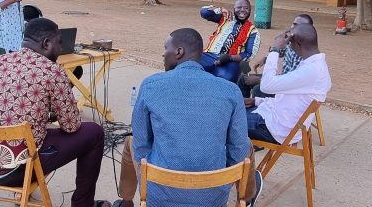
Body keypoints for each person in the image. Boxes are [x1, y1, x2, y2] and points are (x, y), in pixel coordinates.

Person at [0, 18, 110, 207]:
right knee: (94, 133)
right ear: (46, 43)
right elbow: (71, 125)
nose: (61, 50)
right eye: (60, 43)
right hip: (14, 170)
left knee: (32, 132)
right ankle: (83, 204)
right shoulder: (51, 71)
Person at [112, 28, 262, 207]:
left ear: (178, 52)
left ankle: (126, 202)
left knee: (132, 142)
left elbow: (142, 144)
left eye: (165, 48)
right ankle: (245, 198)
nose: (162, 53)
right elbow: (237, 151)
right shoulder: (230, 90)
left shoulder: (151, 85)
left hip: (159, 195)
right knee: (245, 145)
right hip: (214, 198)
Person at [245, 24, 331, 144]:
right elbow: (287, 102)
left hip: (275, 129)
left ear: (298, 45)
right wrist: (257, 101)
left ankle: (235, 161)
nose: (289, 46)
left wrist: (275, 49)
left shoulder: (312, 71)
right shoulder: (313, 65)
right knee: (229, 111)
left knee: (221, 121)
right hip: (274, 119)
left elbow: (266, 86)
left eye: (290, 43)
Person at [238, 14, 314, 98]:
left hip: (288, 90)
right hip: (282, 79)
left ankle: (259, 109)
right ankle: (242, 108)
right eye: (294, 24)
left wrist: (260, 80)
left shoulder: (304, 53)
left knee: (258, 89)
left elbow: (290, 82)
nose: (294, 27)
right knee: (243, 80)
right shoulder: (292, 41)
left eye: (300, 26)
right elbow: (281, 51)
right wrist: (265, 59)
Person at [199, 0, 261, 82]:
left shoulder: (253, 31)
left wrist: (229, 57)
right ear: (234, 9)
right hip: (209, 55)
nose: (242, 10)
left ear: (250, 10)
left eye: (246, 8)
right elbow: (203, 12)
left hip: (230, 61)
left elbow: (249, 54)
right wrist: (220, 9)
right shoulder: (225, 18)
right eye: (239, 7)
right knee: (189, 65)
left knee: (227, 78)